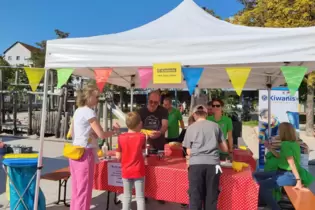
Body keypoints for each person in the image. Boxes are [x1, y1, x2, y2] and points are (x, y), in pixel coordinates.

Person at [69, 84, 119, 210]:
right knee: (84, 189)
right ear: (89, 96)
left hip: (75, 151)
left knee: (76, 189)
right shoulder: (89, 112)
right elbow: (101, 134)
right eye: (96, 97)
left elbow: (78, 132)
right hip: (85, 153)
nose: (98, 99)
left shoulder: (78, 110)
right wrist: (113, 132)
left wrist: (91, 135)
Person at [253, 122, 315, 210]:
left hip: (288, 175)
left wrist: (298, 180)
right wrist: (270, 148)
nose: (278, 132)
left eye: (279, 130)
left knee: (261, 186)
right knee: (256, 175)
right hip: (282, 172)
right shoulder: (293, 143)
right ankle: (264, 200)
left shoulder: (286, 145)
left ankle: (274, 207)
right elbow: (280, 156)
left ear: (284, 132)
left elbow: (291, 163)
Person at [183, 105, 228, 210]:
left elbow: (189, 151)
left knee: (195, 197)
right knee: (211, 197)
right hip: (213, 165)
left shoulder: (190, 128)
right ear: (206, 114)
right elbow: (225, 149)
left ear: (194, 115)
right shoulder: (216, 126)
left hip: (195, 165)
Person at [116, 112, 146, 210]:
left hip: (126, 170)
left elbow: (118, 156)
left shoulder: (120, 138)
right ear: (138, 124)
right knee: (140, 197)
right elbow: (143, 153)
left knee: (127, 196)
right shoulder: (142, 137)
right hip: (138, 170)